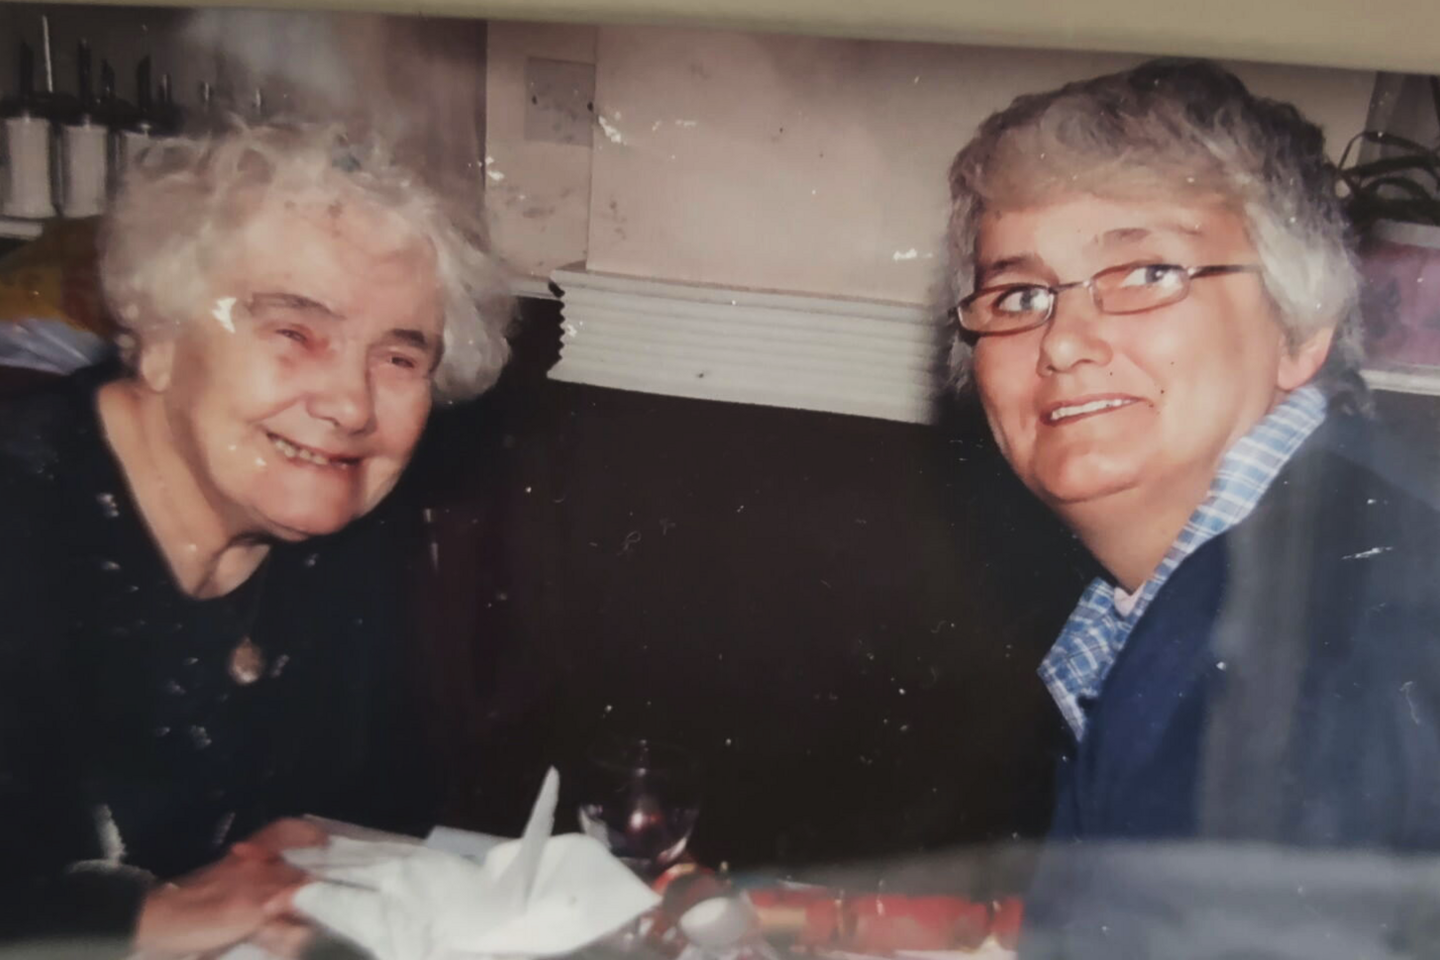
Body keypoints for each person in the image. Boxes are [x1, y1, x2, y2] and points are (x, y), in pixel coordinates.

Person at [944, 60, 1440, 955]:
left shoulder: (1319, 649)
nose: (1062, 342)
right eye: (1018, 296)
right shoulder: (1285, 557)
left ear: (1301, 326)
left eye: (1145, 272)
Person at [0, 122, 510, 956]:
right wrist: (136, 922)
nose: (351, 405)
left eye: (398, 358)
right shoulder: (20, 525)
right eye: (293, 334)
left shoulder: (339, 525)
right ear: (162, 338)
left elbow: (383, 798)